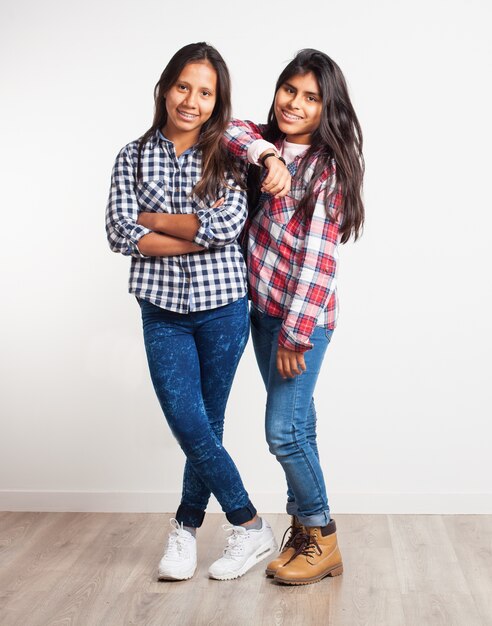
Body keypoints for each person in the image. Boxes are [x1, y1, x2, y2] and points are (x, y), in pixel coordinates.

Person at [105, 42, 276, 582]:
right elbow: (117, 232)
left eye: (206, 93)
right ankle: (249, 524)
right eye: (184, 87)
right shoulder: (131, 156)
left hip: (223, 307)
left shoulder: (227, 154)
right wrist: (193, 235)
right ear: (165, 88)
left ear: (217, 101)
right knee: (188, 421)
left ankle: (184, 527)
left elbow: (228, 228)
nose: (191, 100)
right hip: (161, 309)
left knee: (209, 422)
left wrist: (153, 221)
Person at [224, 48, 365, 585]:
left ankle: (321, 535)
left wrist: (296, 334)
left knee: (282, 432)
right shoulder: (264, 143)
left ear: (327, 108)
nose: (296, 104)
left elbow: (318, 259)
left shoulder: (327, 169)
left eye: (311, 98)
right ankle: (303, 535)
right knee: (300, 425)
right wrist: (269, 157)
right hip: (260, 311)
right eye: (290, 90)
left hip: (299, 321)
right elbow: (228, 129)